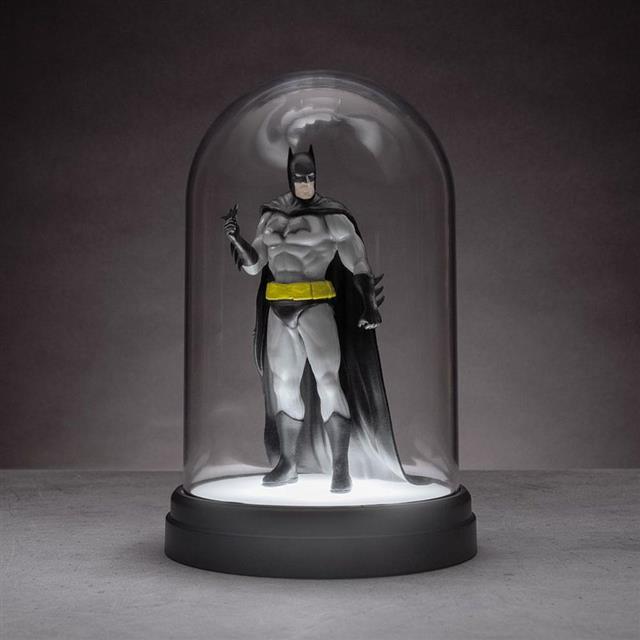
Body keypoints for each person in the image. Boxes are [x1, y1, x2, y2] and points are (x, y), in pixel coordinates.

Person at [223, 146, 404, 493]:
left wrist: (369, 304)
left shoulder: (333, 217)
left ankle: (340, 469)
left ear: (316, 175)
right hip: (278, 307)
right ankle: (288, 463)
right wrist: (235, 238)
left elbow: (358, 263)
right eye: (299, 176)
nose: (305, 182)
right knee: (283, 386)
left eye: (310, 176)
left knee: (328, 382)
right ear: (290, 177)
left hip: (316, 304)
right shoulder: (270, 217)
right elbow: (255, 266)